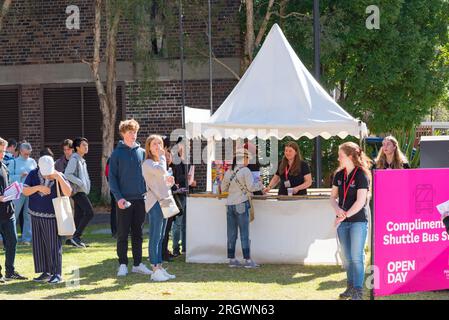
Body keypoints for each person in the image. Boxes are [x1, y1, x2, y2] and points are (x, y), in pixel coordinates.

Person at [109, 119, 152, 277]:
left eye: (135, 132)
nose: (133, 135)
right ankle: (122, 264)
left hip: (140, 199)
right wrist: (118, 198)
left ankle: (138, 264)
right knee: (122, 233)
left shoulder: (142, 153)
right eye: (130, 132)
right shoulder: (117, 154)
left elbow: (148, 175)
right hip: (123, 201)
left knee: (138, 233)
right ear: (123, 134)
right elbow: (112, 178)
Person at [330, 142, 371, 300]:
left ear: (350, 156)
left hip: (358, 221)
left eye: (340, 155)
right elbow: (332, 198)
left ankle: (358, 290)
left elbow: (360, 202)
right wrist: (337, 210)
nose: (338, 158)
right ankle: (350, 286)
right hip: (343, 221)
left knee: (356, 257)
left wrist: (343, 215)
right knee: (347, 258)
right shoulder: (339, 175)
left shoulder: (362, 175)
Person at [23, 155, 72, 284]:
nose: (46, 175)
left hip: (52, 217)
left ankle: (57, 273)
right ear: (38, 166)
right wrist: (38, 187)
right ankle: (46, 272)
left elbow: (68, 192)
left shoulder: (58, 175)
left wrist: (59, 177)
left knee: (53, 245)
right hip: (35, 214)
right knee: (39, 245)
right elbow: (25, 191)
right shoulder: (33, 174)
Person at [221, 149, 264, 268]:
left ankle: (232, 259)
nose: (249, 161)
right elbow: (251, 188)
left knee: (231, 233)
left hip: (229, 204)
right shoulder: (246, 170)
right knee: (244, 233)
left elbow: (223, 188)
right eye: (248, 158)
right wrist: (260, 184)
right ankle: (248, 260)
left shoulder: (229, 171)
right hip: (241, 203)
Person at [142, 135, 176, 281]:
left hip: (165, 200)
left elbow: (164, 181)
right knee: (155, 236)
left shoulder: (159, 162)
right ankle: (155, 269)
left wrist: (170, 181)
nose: (157, 146)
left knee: (162, 236)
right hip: (155, 202)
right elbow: (161, 171)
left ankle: (160, 267)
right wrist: (163, 157)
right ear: (149, 147)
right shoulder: (148, 163)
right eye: (154, 144)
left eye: (160, 144)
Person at [0, 137, 27, 282]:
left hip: (8, 211)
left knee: (13, 241)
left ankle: (10, 271)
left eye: (3, 151)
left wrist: (14, 190)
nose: (2, 154)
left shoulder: (4, 166)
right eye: (0, 151)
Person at [64, 137, 94, 248]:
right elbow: (67, 174)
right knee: (90, 212)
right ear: (77, 148)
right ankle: (76, 237)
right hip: (77, 191)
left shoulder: (82, 160)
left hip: (82, 191)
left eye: (87, 145)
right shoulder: (74, 159)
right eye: (83, 145)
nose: (86, 147)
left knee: (79, 215)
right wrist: (80, 182)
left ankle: (72, 239)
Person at [171, 137, 196, 257]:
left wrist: (192, 182)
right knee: (178, 223)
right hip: (178, 195)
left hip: (187, 193)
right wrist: (186, 177)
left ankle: (185, 248)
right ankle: (176, 248)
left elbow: (188, 179)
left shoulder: (188, 160)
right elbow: (173, 179)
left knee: (186, 223)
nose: (189, 147)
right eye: (187, 145)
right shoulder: (174, 160)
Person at [8, 142, 37, 245]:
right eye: (25, 154)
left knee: (28, 216)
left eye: (29, 154)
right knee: (13, 216)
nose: (27, 156)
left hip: (30, 191)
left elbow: (37, 175)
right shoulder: (13, 162)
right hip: (17, 192)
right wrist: (19, 176)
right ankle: (11, 238)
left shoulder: (33, 162)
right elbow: (8, 178)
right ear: (20, 151)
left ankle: (27, 239)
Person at [105, 157, 117, 238]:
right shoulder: (112, 158)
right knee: (115, 211)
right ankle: (115, 232)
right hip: (115, 189)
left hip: (126, 190)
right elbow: (107, 174)